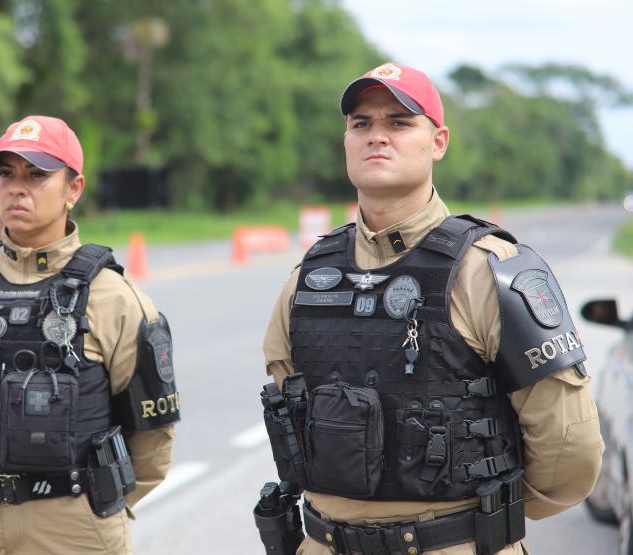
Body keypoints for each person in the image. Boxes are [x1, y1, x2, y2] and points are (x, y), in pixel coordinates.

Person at [257, 63, 603, 555]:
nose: (377, 136)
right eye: (361, 124)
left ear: (438, 142)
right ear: (346, 142)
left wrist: (477, 518)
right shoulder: (309, 277)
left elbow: (569, 456)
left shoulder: (491, 271)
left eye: (399, 122)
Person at [0, 115, 179, 555]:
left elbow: (153, 437)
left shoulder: (113, 296)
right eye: (6, 174)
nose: (17, 188)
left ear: (74, 189)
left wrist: (93, 509)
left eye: (36, 175)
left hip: (74, 526)